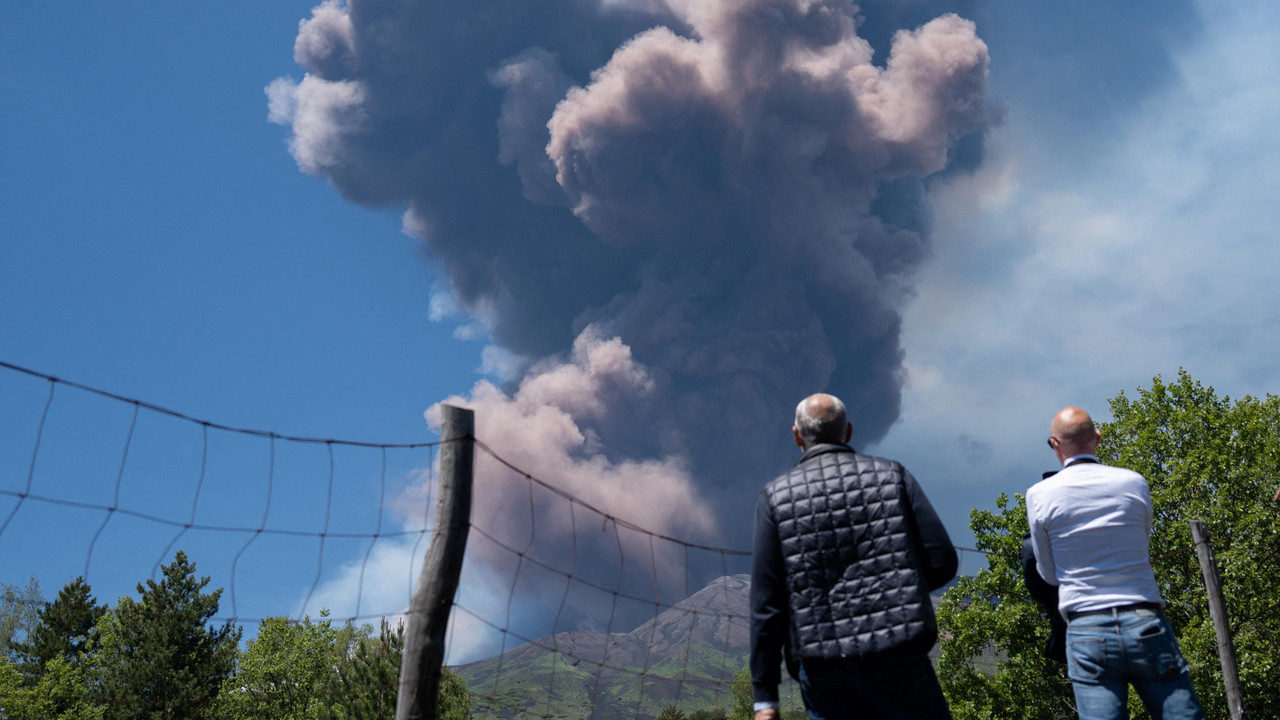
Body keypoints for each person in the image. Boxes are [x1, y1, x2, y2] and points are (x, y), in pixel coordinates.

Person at [750, 393, 958, 720]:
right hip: (900, 652)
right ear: (848, 431)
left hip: (823, 668)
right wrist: (900, 593)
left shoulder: (776, 498)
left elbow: (767, 602)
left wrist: (765, 697)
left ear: (797, 436)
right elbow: (943, 561)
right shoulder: (893, 476)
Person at [1027, 406, 1205, 720]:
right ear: (1097, 438)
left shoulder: (1039, 494)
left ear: (1055, 444)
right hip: (1144, 619)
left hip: (1086, 627)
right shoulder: (1134, 482)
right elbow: (1142, 543)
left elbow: (1050, 575)